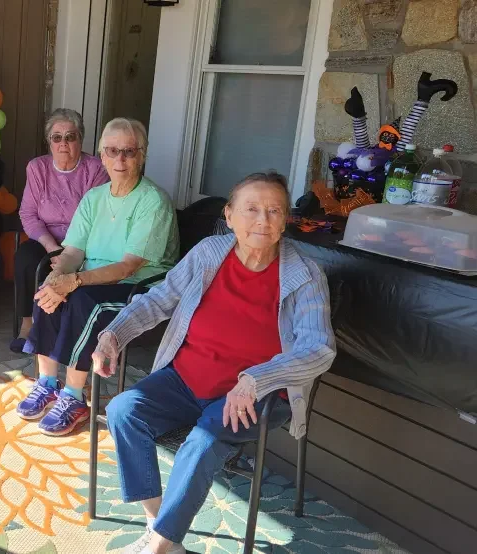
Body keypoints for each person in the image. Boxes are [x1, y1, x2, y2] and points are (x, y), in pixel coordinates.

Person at [94, 172, 336, 554]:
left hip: (257, 395)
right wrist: (114, 335)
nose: (263, 220)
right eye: (251, 209)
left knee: (204, 440)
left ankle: (159, 546)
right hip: (186, 379)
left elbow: (318, 348)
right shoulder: (209, 253)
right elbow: (160, 299)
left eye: (274, 211)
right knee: (124, 409)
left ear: (286, 219)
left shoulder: (304, 275)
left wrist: (257, 379)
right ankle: (158, 525)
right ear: (229, 215)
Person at [16, 118, 179, 436]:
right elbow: (74, 251)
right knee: (48, 286)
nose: (120, 160)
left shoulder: (153, 202)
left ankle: (75, 397)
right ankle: (47, 381)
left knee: (84, 300)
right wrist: (59, 276)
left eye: (129, 152)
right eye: (113, 151)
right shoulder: (94, 198)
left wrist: (74, 281)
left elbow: (128, 266)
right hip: (95, 277)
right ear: (102, 156)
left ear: (142, 155)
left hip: (137, 288)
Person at [12, 108, 110, 353]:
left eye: (70, 136)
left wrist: (69, 252)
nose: (63, 143)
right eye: (57, 137)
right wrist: (52, 247)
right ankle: (27, 325)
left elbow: (95, 216)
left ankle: (63, 328)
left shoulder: (96, 169)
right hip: (48, 238)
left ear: (81, 139)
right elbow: (28, 214)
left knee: (76, 269)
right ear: (49, 142)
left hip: (83, 242)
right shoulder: (37, 168)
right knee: (25, 259)